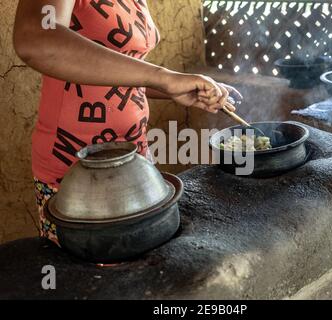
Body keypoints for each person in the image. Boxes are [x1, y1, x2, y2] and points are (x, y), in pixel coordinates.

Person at [13, 0, 241, 244]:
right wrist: (163, 77)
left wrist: (178, 87)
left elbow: (120, 71)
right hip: (76, 171)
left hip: (136, 159)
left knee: (143, 265)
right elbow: (35, 38)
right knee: (90, 275)